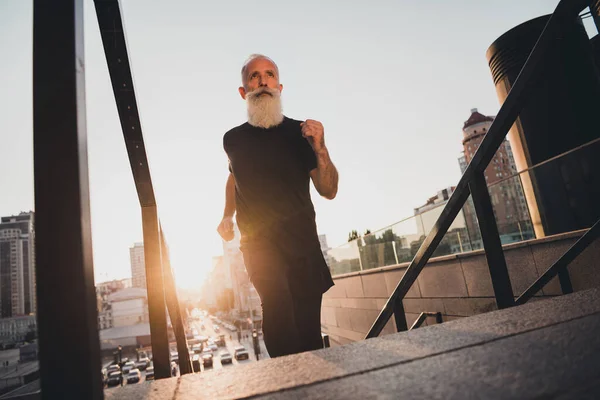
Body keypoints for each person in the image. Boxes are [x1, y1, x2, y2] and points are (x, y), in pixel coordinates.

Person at [217, 54, 339, 358]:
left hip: (302, 243)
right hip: (259, 244)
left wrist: (321, 149)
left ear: (279, 87)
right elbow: (234, 178)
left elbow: (329, 190)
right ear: (244, 91)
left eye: (269, 75)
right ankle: (286, 383)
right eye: (254, 76)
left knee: (308, 330)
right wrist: (226, 216)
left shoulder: (302, 134)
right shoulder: (233, 139)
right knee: (279, 310)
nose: (262, 81)